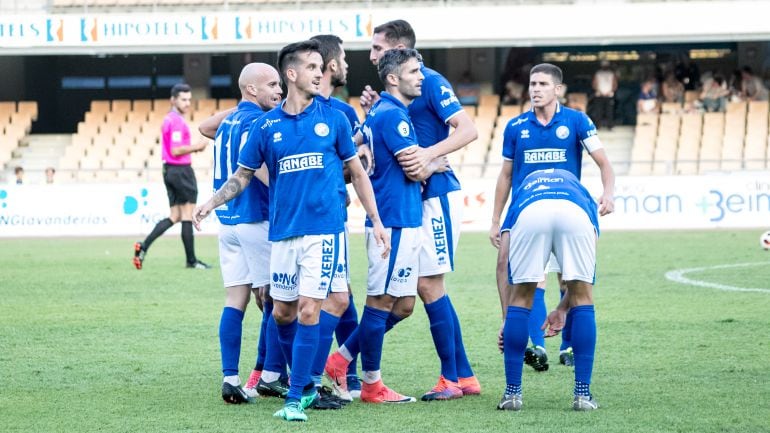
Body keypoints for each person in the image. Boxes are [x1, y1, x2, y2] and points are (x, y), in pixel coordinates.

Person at [193, 40, 390, 423]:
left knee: (307, 309)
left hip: (324, 231)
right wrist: (212, 202)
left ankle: (299, 394)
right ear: (292, 74)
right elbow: (242, 176)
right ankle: (296, 382)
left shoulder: (332, 118)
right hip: (282, 233)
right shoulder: (267, 125)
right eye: (313, 67)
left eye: (322, 67)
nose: (320, 73)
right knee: (281, 312)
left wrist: (377, 221)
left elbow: (360, 173)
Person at [328, 19, 482, 402]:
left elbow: (467, 129)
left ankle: (455, 377)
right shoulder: (388, 102)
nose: (372, 56)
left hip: (434, 195)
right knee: (413, 295)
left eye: (378, 49)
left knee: (429, 286)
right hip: (409, 199)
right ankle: (459, 375)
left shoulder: (428, 80)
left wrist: (429, 157)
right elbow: (369, 142)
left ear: (397, 48)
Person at [489, 63, 614, 375]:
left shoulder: (576, 120)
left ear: (558, 89)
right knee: (514, 269)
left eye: (543, 84)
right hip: (526, 211)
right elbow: (505, 175)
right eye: (532, 83)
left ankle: (568, 344)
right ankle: (530, 342)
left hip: (566, 210)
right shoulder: (516, 126)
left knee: (569, 278)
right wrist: (495, 219)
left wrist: (608, 194)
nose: (535, 89)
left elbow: (604, 163)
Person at [198, 63, 284, 404]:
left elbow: (204, 126)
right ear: (252, 89)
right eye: (273, 84)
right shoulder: (257, 121)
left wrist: (241, 102)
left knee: (237, 299)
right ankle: (272, 374)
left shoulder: (230, 120)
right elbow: (261, 173)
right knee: (278, 298)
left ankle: (230, 378)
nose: (279, 91)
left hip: (228, 222)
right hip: (254, 216)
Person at [496, 168, 602, 412]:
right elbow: (584, 278)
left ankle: (512, 395)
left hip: (531, 215)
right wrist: (564, 307)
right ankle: (583, 396)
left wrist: (506, 319)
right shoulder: (581, 193)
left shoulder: (523, 191)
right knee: (584, 297)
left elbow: (502, 262)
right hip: (575, 215)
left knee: (521, 299)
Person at [306, 33, 367, 403]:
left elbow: (352, 167)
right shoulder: (299, 110)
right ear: (331, 64)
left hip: (331, 217)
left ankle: (346, 374)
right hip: (308, 221)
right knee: (305, 301)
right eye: (343, 59)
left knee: (339, 296)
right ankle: (303, 378)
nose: (347, 65)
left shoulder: (343, 112)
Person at [133, 83, 210, 270]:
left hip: (169, 170)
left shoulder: (169, 119)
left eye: (189, 99)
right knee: (187, 215)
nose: (187, 103)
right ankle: (191, 261)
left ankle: (143, 246)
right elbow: (176, 150)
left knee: (175, 216)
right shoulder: (176, 121)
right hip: (181, 171)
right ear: (173, 100)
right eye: (183, 99)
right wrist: (197, 147)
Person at [591, 60, 618, 130]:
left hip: (609, 95)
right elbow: (594, 84)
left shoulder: (611, 73)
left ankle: (610, 126)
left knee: (609, 111)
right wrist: (599, 91)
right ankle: (597, 126)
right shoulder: (598, 73)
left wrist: (610, 91)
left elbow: (615, 84)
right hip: (599, 95)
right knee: (598, 111)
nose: (605, 67)